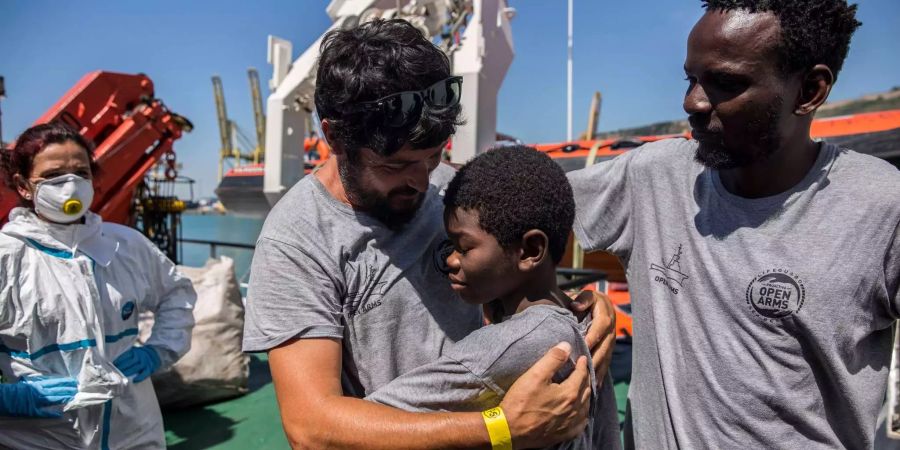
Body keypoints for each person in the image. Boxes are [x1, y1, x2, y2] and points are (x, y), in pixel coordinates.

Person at [242, 19, 616, 449]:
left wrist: (576, 311)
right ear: (333, 137)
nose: (422, 181)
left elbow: (513, 279)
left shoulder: (447, 188)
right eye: (395, 166)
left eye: (434, 156)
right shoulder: (296, 241)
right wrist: (500, 428)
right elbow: (312, 428)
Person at [568, 0, 899, 448]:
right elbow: (511, 215)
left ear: (810, 91)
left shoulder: (882, 206)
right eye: (691, 79)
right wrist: (562, 304)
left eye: (725, 83)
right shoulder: (653, 177)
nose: (693, 103)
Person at [366, 145, 622, 449]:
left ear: (530, 251)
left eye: (464, 247)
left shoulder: (502, 348)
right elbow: (606, 436)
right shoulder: (589, 326)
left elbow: (374, 419)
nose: (450, 260)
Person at [0, 122, 196, 449]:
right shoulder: (7, 258)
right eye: (52, 176)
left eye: (81, 172)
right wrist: (6, 397)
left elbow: (177, 295)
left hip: (133, 430)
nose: (70, 185)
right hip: (42, 436)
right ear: (23, 185)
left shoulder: (126, 246)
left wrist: (157, 351)